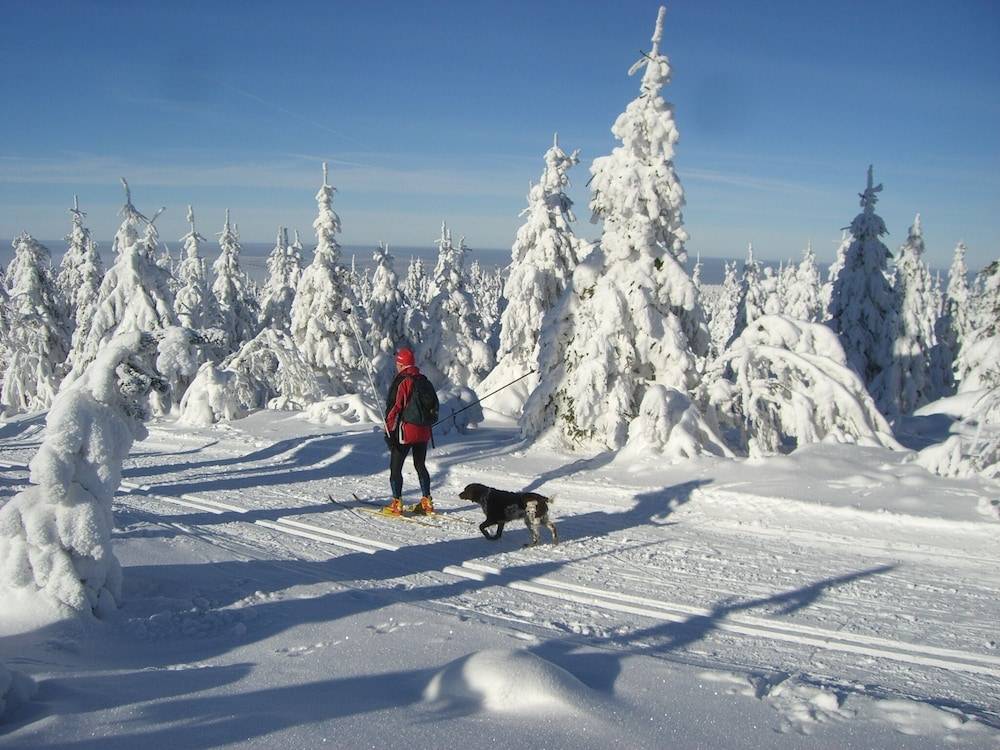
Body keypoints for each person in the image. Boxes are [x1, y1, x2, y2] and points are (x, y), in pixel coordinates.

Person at [384, 347, 433, 515]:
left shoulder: (401, 381)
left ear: (400, 364)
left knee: (396, 467)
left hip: (406, 432)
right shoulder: (424, 380)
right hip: (424, 431)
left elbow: (393, 408)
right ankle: (427, 502)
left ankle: (397, 504)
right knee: (420, 465)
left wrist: (389, 431)